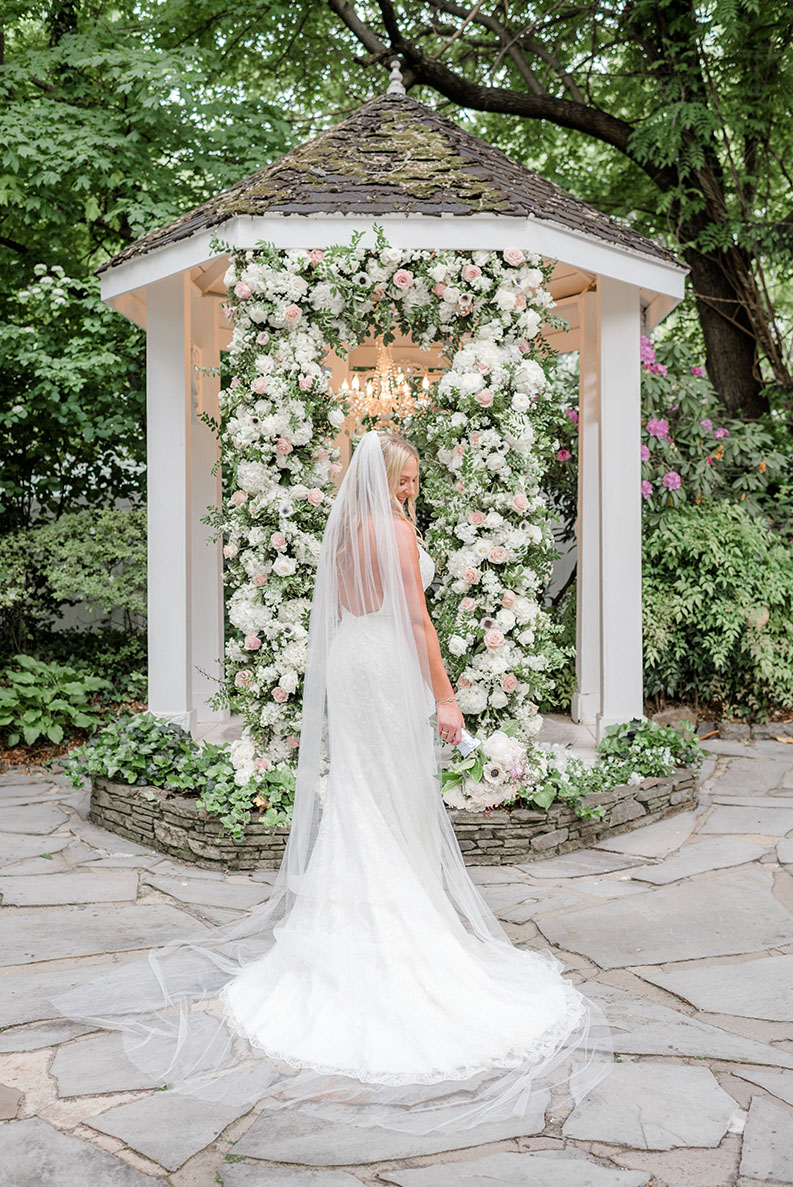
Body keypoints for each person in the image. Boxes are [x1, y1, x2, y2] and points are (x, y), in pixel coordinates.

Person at [52, 430, 611, 1135]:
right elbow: (415, 620)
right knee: (385, 795)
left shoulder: (346, 534)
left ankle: (351, 925)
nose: (410, 489)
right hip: (383, 665)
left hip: (351, 660)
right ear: (383, 478)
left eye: (412, 480)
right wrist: (444, 698)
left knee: (362, 794)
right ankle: (398, 934)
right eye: (404, 479)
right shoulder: (393, 533)